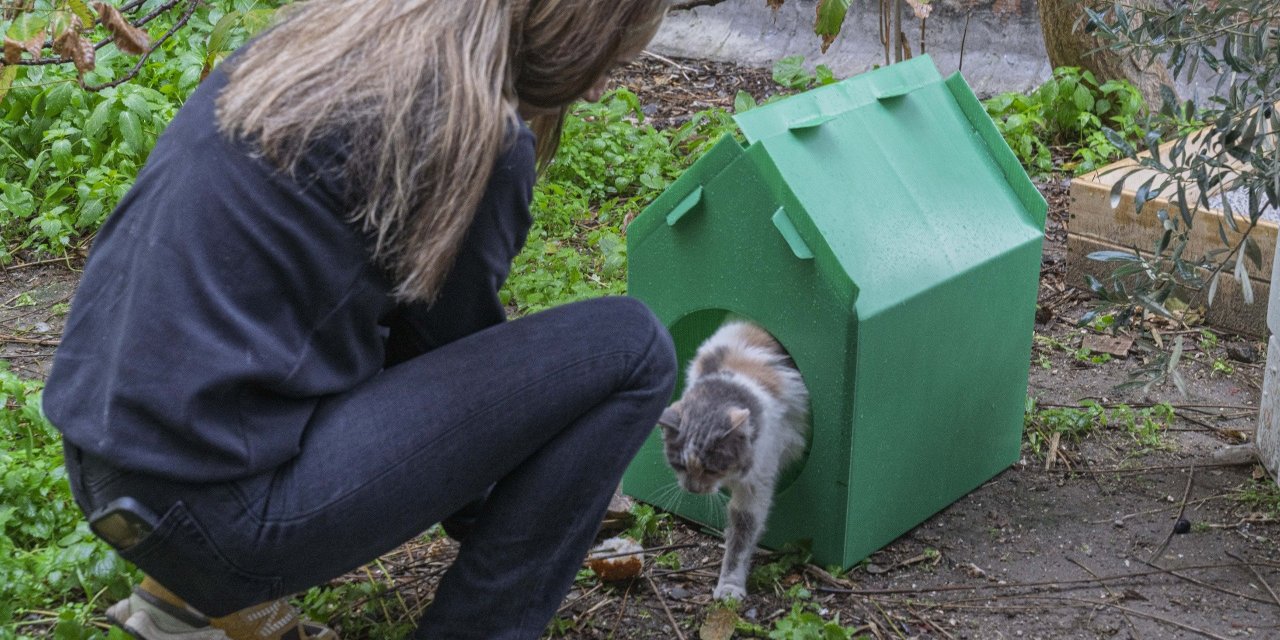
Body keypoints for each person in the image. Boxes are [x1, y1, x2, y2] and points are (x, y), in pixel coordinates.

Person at [42, 1, 676, 638]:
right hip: (220, 523)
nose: (598, 89)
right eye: (607, 60)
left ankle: (179, 600)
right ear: (564, 32)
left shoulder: (305, 52)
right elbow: (445, 360)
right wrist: (541, 501)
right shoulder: (471, 130)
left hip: (106, 472)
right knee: (631, 346)